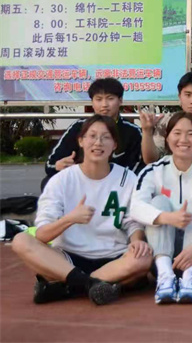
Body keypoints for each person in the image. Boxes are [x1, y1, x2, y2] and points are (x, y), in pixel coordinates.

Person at [13, 115, 152, 305]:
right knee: (21, 241)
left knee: (144, 259)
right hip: (68, 258)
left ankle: (67, 286)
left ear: (114, 145)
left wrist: (137, 241)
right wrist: (70, 219)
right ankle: (91, 284)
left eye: (105, 137)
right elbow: (42, 235)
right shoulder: (62, 180)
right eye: (92, 136)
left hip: (114, 256)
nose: (98, 142)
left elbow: (132, 222)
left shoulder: (128, 178)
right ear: (80, 141)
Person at [131, 112, 192, 304]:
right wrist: (167, 218)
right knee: (158, 202)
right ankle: (165, 277)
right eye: (177, 133)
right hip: (161, 254)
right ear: (167, 138)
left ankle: (190, 278)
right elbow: (135, 206)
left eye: (191, 134)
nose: (183, 139)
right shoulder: (154, 170)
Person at [43, 78, 142, 190]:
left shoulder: (132, 132)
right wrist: (57, 166)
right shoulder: (79, 127)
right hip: (80, 185)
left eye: (110, 99)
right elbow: (50, 165)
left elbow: (138, 168)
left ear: (120, 100)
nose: (104, 105)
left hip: (118, 187)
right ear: (92, 103)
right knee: (48, 182)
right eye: (98, 99)